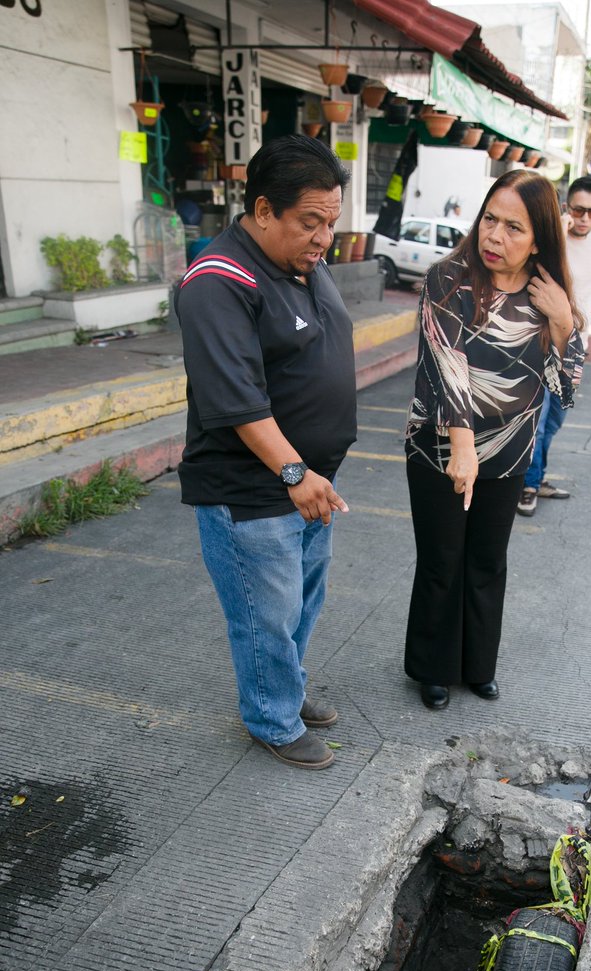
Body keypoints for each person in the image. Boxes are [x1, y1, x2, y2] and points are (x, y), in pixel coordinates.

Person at [176, 135, 356, 770]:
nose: (324, 237)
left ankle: (287, 689)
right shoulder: (218, 282)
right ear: (261, 210)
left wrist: (312, 474)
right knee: (265, 614)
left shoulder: (303, 261)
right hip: (254, 489)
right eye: (310, 222)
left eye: (331, 222)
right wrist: (294, 471)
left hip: (309, 481)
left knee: (301, 603)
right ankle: (272, 719)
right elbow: (239, 401)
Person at [404, 169, 585, 710]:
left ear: (539, 240)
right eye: (490, 219)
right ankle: (433, 668)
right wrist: (462, 450)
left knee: (487, 561)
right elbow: (447, 368)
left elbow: (564, 388)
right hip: (440, 446)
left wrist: (563, 323)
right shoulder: (448, 279)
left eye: (513, 228)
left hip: (509, 453)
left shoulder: (547, 296)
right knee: (442, 559)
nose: (494, 236)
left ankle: (478, 666)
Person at [517, 175, 591, 517]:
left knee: (556, 418)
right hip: (544, 340)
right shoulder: (551, 238)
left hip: (576, 343)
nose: (584, 218)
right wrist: (556, 230)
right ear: (567, 207)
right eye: (578, 210)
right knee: (538, 421)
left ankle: (536, 476)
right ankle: (528, 486)